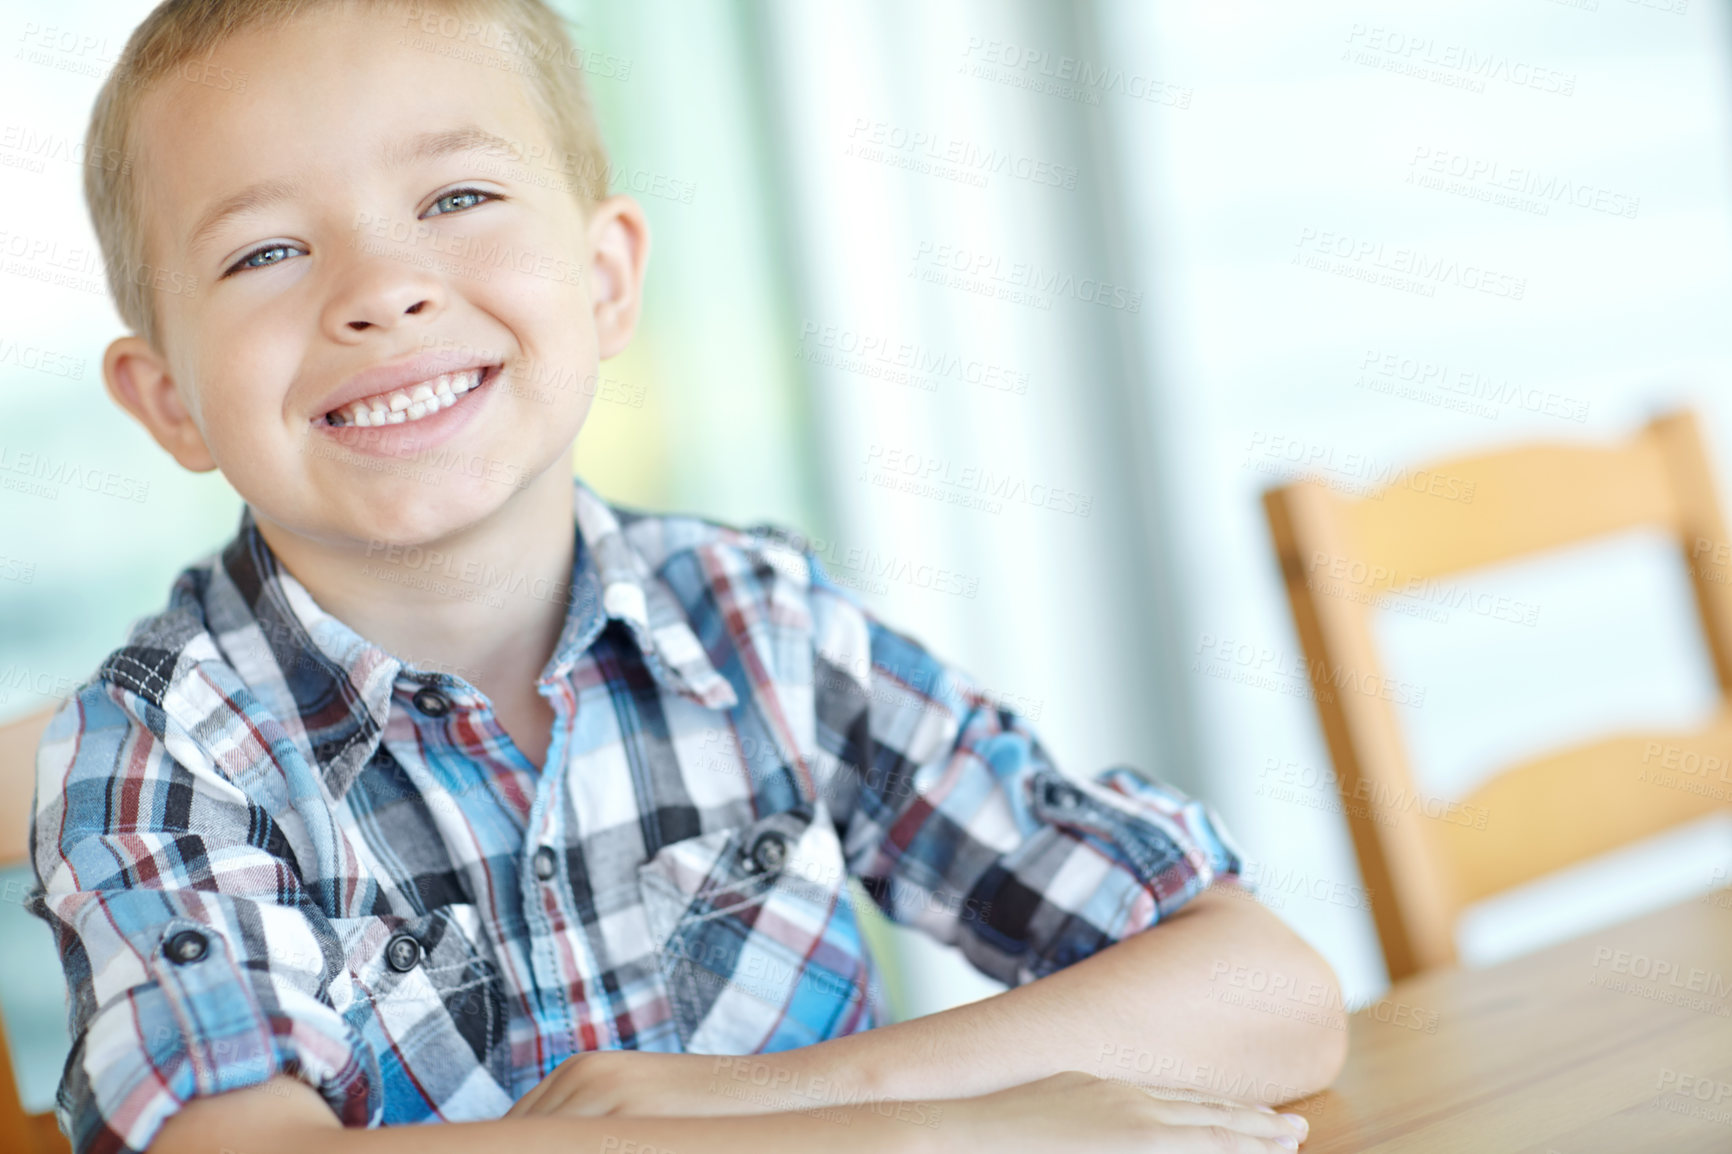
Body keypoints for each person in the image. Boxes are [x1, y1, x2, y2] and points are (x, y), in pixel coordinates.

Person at [25, 2, 1346, 1151]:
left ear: (605, 281)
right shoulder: (158, 752)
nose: (383, 291)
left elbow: (1270, 991)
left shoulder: (760, 624)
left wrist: (773, 1103)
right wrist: (935, 1134)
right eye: (266, 250)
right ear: (169, 402)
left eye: (456, 200)